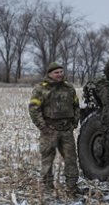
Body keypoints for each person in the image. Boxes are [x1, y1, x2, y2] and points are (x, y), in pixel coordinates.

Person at [29, 62, 82, 196]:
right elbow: (34, 109)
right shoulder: (41, 89)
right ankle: (47, 189)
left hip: (66, 131)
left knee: (71, 159)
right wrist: (43, 127)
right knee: (47, 160)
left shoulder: (69, 88)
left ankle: (72, 188)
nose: (60, 74)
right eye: (56, 72)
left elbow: (76, 105)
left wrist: (74, 122)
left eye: (61, 71)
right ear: (50, 74)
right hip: (49, 131)